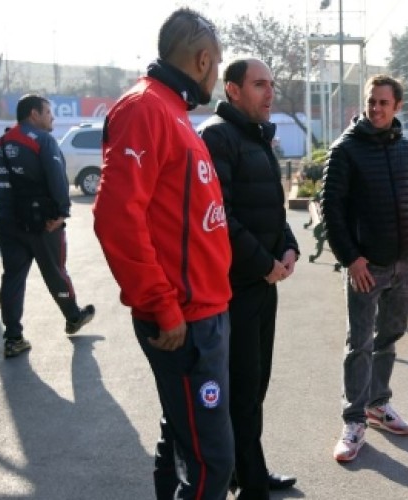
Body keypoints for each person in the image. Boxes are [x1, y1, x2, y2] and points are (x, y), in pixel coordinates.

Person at [92, 8, 233, 500]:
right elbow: (116, 218)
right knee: (212, 464)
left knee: (186, 441)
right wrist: (161, 304)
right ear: (202, 60)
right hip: (184, 320)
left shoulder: (172, 110)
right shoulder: (145, 108)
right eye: (217, 63)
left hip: (204, 313)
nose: (217, 72)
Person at [196, 58, 299, 498]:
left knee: (255, 385)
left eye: (271, 84)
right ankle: (251, 484)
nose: (269, 93)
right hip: (235, 290)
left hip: (263, 285)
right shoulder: (218, 137)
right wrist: (264, 263)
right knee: (240, 390)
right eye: (259, 85)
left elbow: (270, 210)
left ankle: (246, 468)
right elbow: (222, 217)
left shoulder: (256, 137)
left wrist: (289, 244)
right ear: (232, 89)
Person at [320, 74, 408, 463]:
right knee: (360, 343)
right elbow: (330, 209)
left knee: (391, 336)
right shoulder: (345, 150)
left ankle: (378, 404)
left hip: (404, 264)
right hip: (368, 266)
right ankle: (353, 419)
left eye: (384, 102)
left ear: (397, 105)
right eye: (371, 102)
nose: (376, 109)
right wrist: (351, 258)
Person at [0, 93, 95, 359]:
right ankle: (73, 317)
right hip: (44, 225)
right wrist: (62, 212)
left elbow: (0, 189)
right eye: (48, 112)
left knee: (12, 278)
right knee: (56, 272)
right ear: (34, 114)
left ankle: (13, 338)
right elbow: (57, 179)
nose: (52, 118)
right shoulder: (43, 141)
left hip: (9, 224)